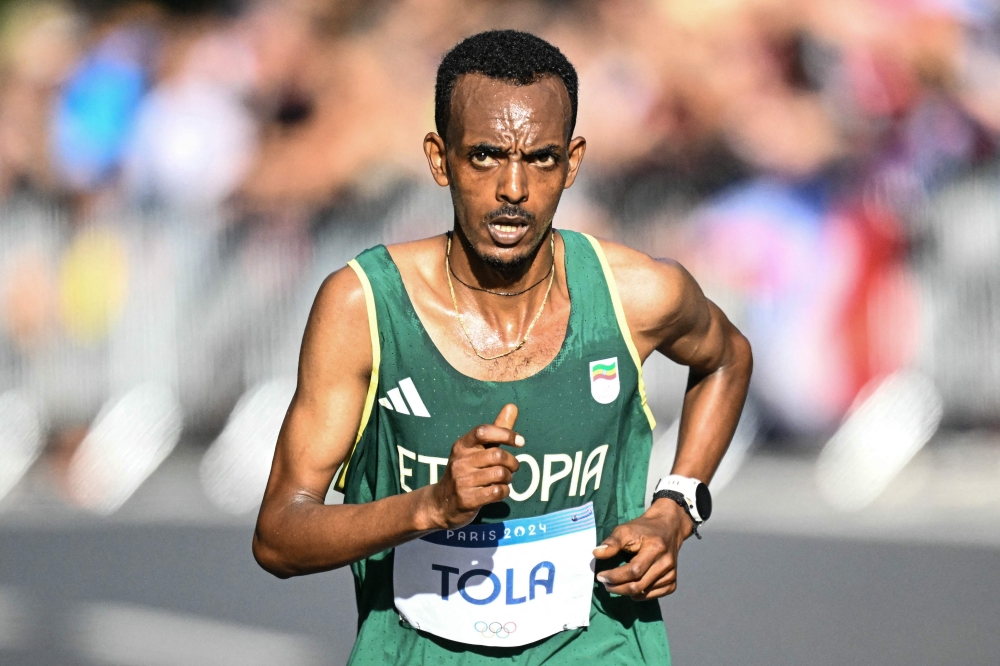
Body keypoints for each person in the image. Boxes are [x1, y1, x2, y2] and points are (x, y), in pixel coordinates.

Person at [253, 29, 752, 664]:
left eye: (541, 158)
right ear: (441, 159)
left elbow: (728, 356)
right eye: (486, 155)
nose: (513, 188)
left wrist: (677, 508)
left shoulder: (638, 295)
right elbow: (278, 535)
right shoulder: (365, 307)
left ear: (572, 162)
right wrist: (430, 506)